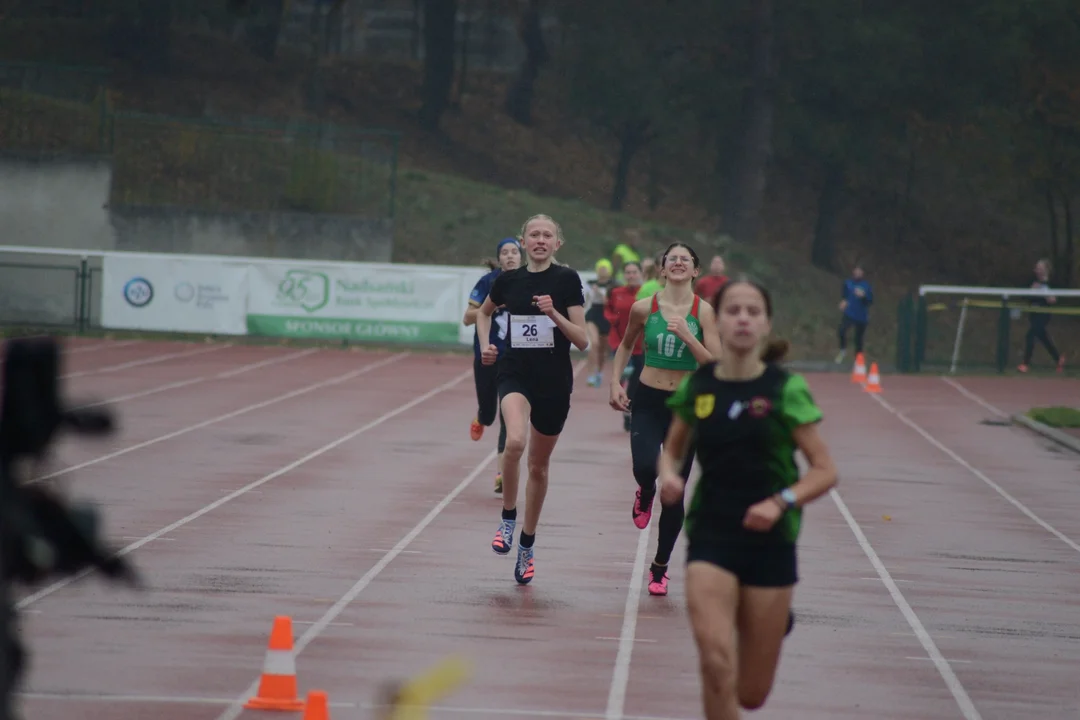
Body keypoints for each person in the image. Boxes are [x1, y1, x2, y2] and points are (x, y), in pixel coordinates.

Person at [656, 276, 838, 719]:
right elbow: (673, 450)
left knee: (751, 694)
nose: (742, 318)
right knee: (716, 662)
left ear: (766, 324)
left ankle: (767, 624)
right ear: (717, 320)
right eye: (733, 310)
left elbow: (825, 470)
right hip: (711, 535)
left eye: (752, 312)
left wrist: (781, 502)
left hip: (770, 541)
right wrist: (667, 476)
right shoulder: (700, 386)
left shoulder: (784, 389)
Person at [475, 214, 588, 585]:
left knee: (538, 467)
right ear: (523, 242)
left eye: (548, 235)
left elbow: (582, 340)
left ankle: (526, 543)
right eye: (534, 234)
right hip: (515, 371)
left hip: (554, 380)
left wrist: (552, 311)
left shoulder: (567, 280)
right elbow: (483, 313)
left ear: (558, 243)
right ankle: (508, 518)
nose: (540, 240)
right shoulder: (508, 280)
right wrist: (488, 345)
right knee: (516, 442)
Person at [609, 242, 723, 596]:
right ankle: (644, 490)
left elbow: (715, 365)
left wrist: (688, 337)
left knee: (674, 492)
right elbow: (626, 344)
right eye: (671, 259)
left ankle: (659, 568)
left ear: (695, 271)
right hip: (647, 399)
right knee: (646, 467)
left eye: (684, 259)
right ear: (661, 269)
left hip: (686, 408)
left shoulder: (704, 313)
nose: (676, 263)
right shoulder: (645, 308)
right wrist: (615, 381)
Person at [464, 237, 523, 493]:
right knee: (489, 413)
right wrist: (495, 306)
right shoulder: (489, 282)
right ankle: (480, 417)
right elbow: (468, 317)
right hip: (487, 356)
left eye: (514, 252)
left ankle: (501, 473)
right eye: (505, 253)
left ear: (521, 256)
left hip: (515, 359)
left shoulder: (528, 281)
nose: (510, 256)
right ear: (498, 259)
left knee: (508, 416)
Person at [604, 261, 644, 432]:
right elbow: (608, 310)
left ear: (641, 274)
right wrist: (614, 320)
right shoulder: (616, 292)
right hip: (620, 341)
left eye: (634, 272)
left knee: (637, 378)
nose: (631, 276)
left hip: (641, 344)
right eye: (628, 272)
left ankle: (630, 410)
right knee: (621, 376)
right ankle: (621, 397)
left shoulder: (646, 293)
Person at [1018, 258, 1066, 373]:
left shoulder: (1050, 284)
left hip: (1043, 315)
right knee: (1043, 338)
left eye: (1040, 268)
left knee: (1030, 335)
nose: (1037, 270)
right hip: (1033, 314)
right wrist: (1031, 290)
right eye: (1036, 268)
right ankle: (1058, 359)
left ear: (1046, 270)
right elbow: (1025, 297)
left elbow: (1053, 300)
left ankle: (1025, 364)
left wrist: (1045, 293)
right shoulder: (1033, 282)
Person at [585, 259, 617, 388]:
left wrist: (600, 292)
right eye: (600, 268)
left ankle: (599, 371)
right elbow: (585, 299)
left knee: (603, 350)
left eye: (605, 268)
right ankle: (591, 374)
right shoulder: (590, 284)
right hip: (593, 314)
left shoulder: (614, 286)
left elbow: (609, 302)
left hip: (607, 315)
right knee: (595, 344)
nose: (602, 270)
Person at [835, 263, 873, 364]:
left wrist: (863, 296)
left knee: (859, 339)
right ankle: (842, 350)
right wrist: (843, 302)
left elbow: (870, 301)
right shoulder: (848, 283)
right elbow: (845, 296)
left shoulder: (866, 286)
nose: (857, 273)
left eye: (859, 271)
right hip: (849, 313)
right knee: (841, 330)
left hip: (861, 316)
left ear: (863, 273)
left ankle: (858, 359)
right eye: (856, 271)